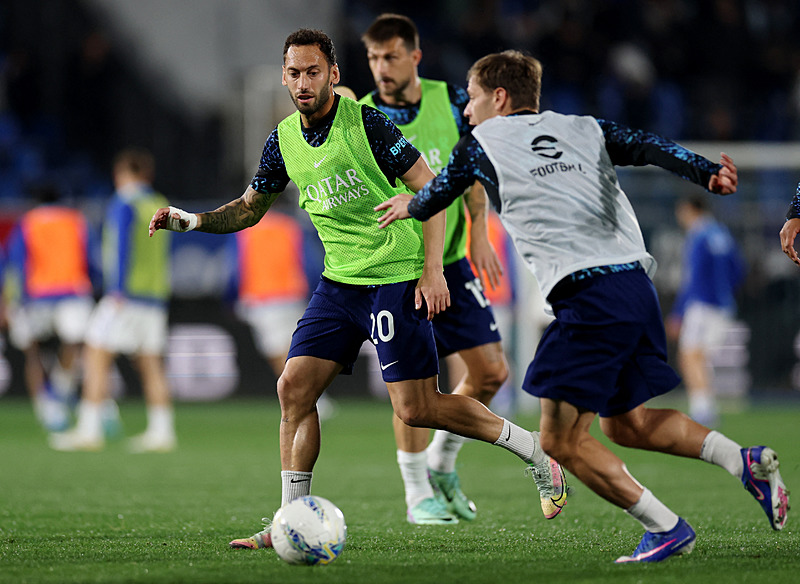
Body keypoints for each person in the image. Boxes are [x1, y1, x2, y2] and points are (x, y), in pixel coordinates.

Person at [149, 29, 566, 551]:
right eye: (295, 73)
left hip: (395, 273)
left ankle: (534, 451)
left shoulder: (368, 125)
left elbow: (431, 189)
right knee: (293, 390)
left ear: (333, 75)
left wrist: (433, 270)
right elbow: (249, 208)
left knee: (416, 408)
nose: (303, 82)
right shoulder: (282, 140)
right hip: (340, 283)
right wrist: (190, 221)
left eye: (314, 71)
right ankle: (288, 518)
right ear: (284, 76)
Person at [376, 50, 789, 563]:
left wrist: (407, 205)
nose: (467, 109)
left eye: (474, 96)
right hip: (636, 287)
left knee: (558, 441)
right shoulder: (584, 127)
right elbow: (646, 145)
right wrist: (708, 173)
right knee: (626, 425)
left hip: (588, 296)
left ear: (499, 97)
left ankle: (665, 528)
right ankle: (742, 460)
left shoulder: (481, 143)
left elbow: (438, 191)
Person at [359, 13, 513, 524]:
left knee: (491, 371)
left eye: (391, 57)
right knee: (413, 388)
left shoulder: (450, 101)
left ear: (414, 57)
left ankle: (442, 462)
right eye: (374, 58)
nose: (382, 68)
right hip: (398, 268)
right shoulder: (356, 116)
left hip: (448, 261)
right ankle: (415, 493)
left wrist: (478, 234)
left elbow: (468, 170)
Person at [50, 148, 176, 453]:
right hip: (155, 296)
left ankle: (89, 430)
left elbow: (121, 248)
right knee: (150, 364)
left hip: (126, 294)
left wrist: (117, 290)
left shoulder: (124, 202)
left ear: (122, 173)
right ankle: (162, 431)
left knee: (95, 353)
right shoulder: (159, 204)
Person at [3, 184, 96, 431]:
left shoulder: (28, 222)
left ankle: (45, 405)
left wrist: (14, 299)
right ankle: (61, 388)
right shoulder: (76, 220)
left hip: (37, 295)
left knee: (33, 352)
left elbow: (15, 263)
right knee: (74, 345)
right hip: (74, 292)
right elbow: (91, 258)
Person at [666, 194, 745, 428]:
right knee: (700, 356)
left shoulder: (698, 235)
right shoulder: (722, 233)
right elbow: (738, 269)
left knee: (689, 355)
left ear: (691, 210)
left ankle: (703, 409)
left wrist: (678, 312)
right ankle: (706, 407)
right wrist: (725, 292)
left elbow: (694, 277)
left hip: (701, 304)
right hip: (723, 305)